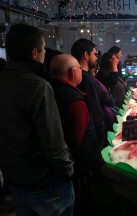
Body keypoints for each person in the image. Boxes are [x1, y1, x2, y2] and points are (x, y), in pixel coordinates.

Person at [0, 23, 74, 215]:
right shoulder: (38, 85)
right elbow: (52, 139)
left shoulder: (4, 79)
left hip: (14, 180)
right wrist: (67, 171)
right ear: (35, 53)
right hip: (45, 184)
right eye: (43, 49)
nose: (44, 53)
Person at [50, 54, 102, 216]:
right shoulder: (75, 99)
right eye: (79, 69)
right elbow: (75, 142)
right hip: (77, 172)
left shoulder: (50, 89)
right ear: (73, 72)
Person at [71, 38, 105, 148]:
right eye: (94, 54)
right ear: (86, 55)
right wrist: (101, 135)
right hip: (90, 137)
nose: (96, 58)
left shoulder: (76, 76)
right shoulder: (88, 80)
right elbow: (95, 110)